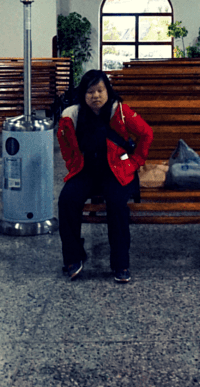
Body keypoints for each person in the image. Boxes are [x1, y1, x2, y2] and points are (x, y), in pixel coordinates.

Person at [56, 69, 153, 283]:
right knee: (67, 200)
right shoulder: (73, 115)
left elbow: (146, 133)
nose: (96, 96)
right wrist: (72, 163)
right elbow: (64, 144)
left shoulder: (120, 112)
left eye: (100, 90)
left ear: (108, 91)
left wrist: (135, 162)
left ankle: (121, 263)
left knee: (117, 204)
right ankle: (73, 257)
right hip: (86, 170)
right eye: (90, 92)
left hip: (116, 170)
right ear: (83, 94)